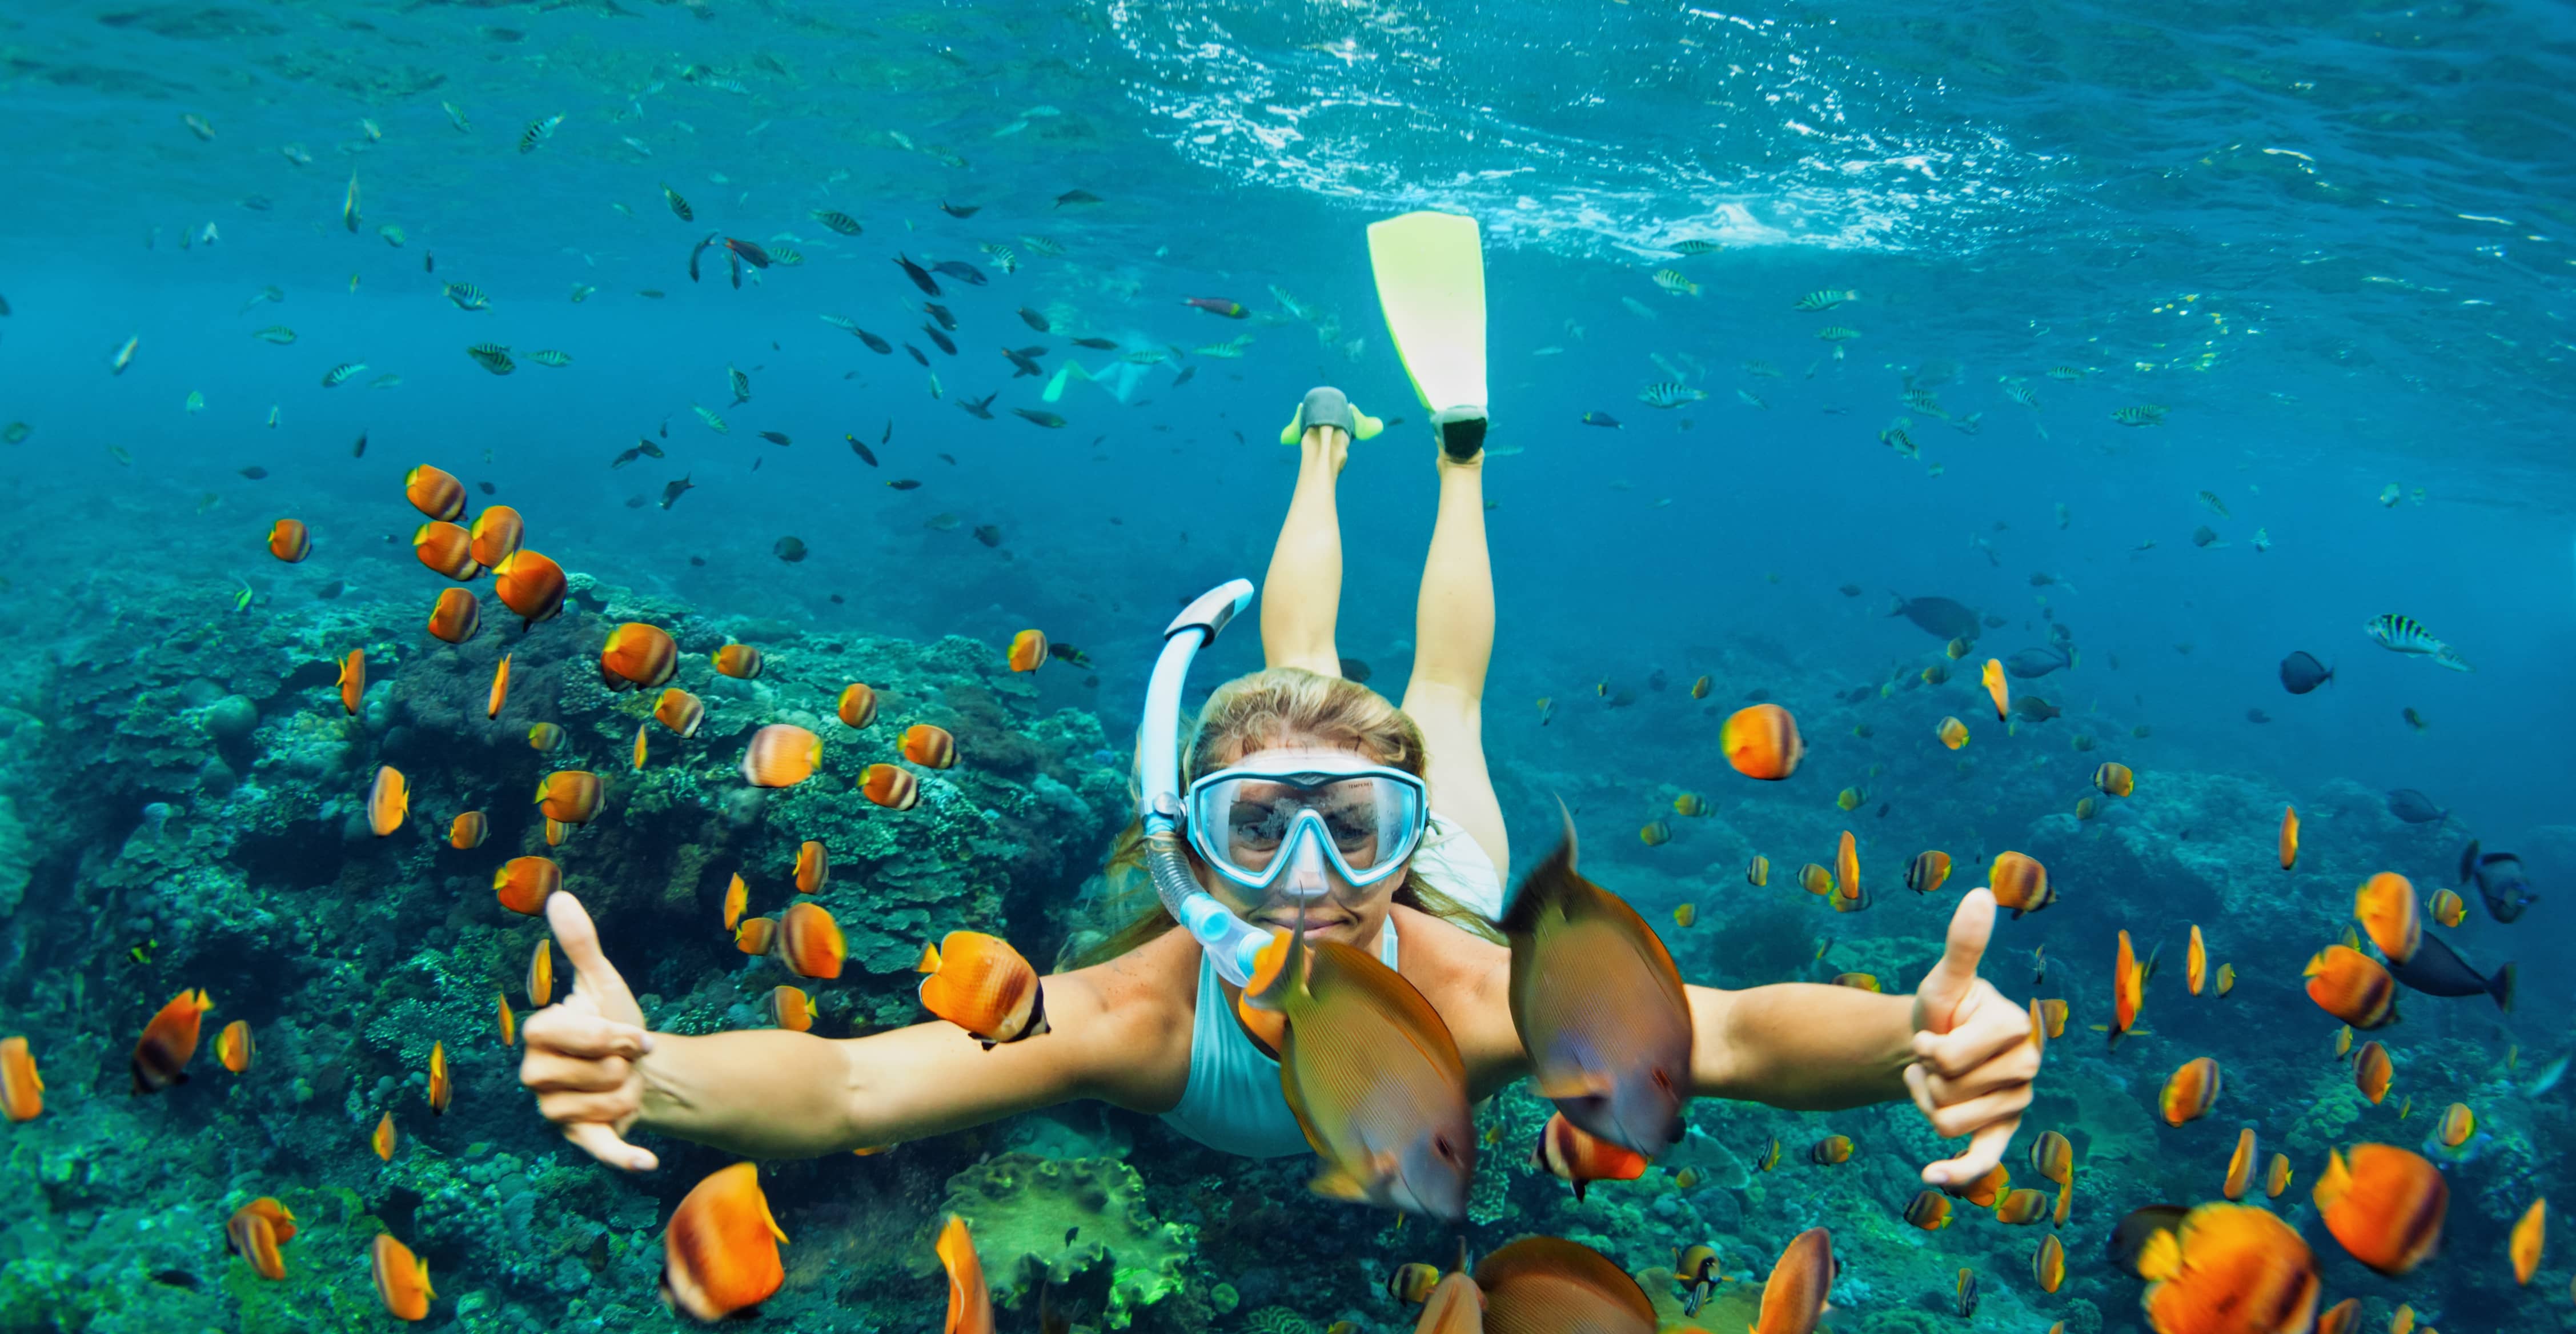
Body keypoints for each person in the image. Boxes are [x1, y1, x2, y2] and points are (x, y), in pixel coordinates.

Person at [519, 218, 2037, 1193]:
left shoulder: (1470, 985)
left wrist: (1917, 1034)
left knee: (1437, 691)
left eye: (1351, 826)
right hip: (1334, 881)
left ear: (1402, 835)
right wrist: (659, 1073)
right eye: (1261, 829)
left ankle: (1453, 457)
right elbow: (855, 1086)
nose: (1311, 879)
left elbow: (1738, 1042)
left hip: (1449, 897)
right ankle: (1321, 464)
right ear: (1193, 851)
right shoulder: (1135, 1013)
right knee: (1311, 664)